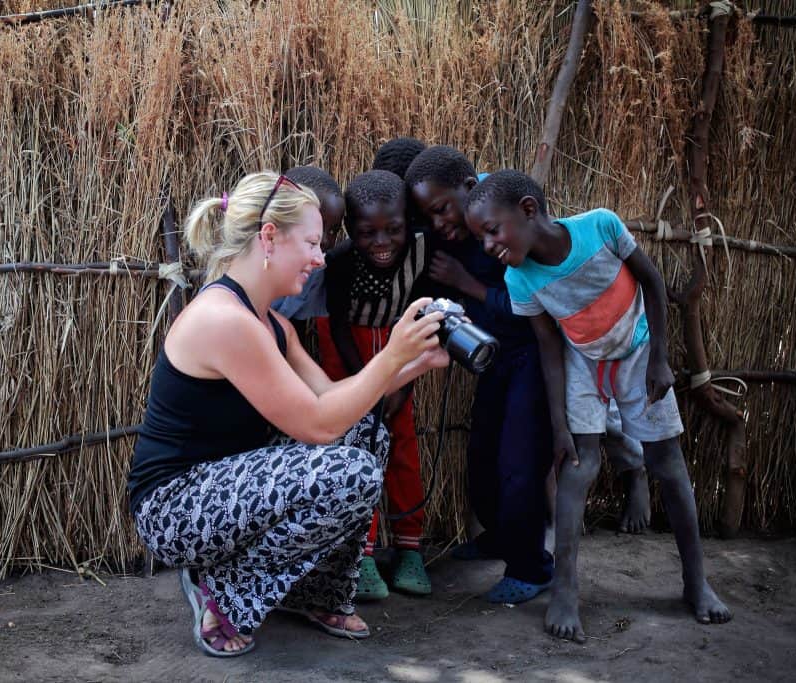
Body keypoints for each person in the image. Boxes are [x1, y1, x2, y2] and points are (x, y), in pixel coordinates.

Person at [127, 171, 449, 657]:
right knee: (351, 471)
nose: (321, 258)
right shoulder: (224, 320)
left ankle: (311, 593)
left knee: (366, 436)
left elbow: (335, 397)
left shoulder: (270, 322)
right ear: (270, 238)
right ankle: (222, 592)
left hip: (227, 488)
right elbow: (317, 425)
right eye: (313, 243)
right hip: (176, 507)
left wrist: (410, 360)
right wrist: (389, 359)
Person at [464, 169, 732, 642]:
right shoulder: (518, 279)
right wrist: (559, 424)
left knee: (668, 465)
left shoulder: (600, 227)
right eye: (480, 237)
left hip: (637, 353)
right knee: (577, 466)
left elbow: (651, 282)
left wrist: (661, 360)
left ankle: (697, 583)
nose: (487, 245)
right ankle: (565, 590)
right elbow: (549, 347)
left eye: (491, 231)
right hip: (582, 363)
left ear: (528, 210)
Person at [405, 145, 553, 603]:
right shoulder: (454, 236)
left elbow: (533, 311)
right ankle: (499, 537)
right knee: (482, 458)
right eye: (428, 217)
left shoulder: (503, 227)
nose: (438, 224)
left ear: (468, 189)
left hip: (534, 362)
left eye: (442, 210)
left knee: (519, 466)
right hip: (495, 363)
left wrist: (464, 284)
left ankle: (531, 566)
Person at [317, 170, 432, 599]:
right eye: (369, 232)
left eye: (393, 229)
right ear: (350, 230)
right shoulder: (341, 262)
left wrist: (399, 383)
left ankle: (408, 548)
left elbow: (425, 314)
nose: (382, 241)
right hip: (350, 356)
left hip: (403, 350)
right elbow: (340, 327)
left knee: (403, 446)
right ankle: (359, 553)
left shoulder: (420, 255)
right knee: (356, 446)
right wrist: (366, 386)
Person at [271, 166, 346, 334]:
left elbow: (294, 324)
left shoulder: (311, 270)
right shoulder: (253, 277)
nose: (325, 239)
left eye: (333, 230)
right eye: (317, 227)